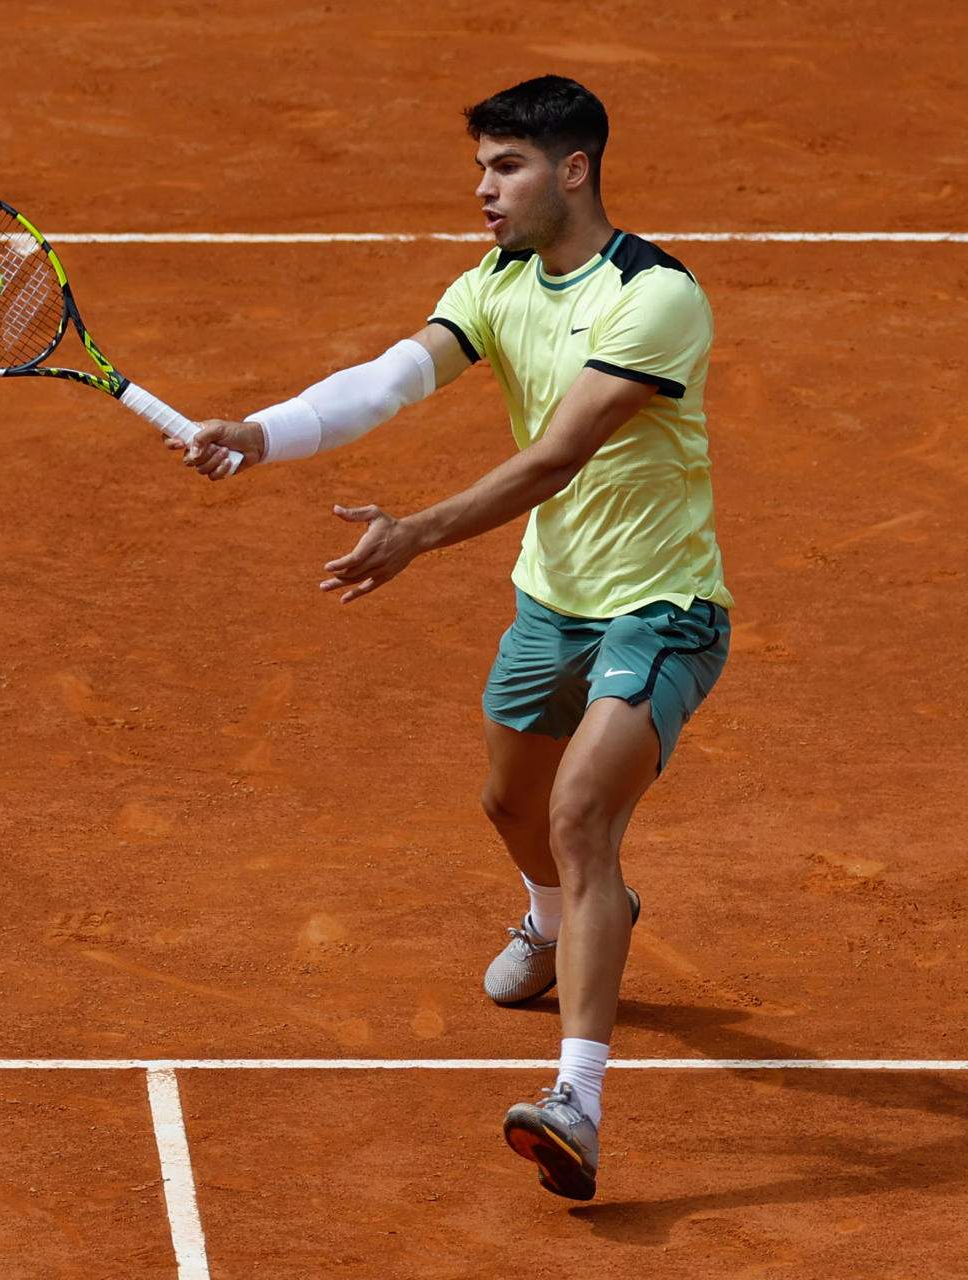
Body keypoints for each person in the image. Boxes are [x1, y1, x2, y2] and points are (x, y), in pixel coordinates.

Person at [174, 74, 732, 1201]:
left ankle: (575, 1096)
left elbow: (555, 456)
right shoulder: (498, 283)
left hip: (661, 609)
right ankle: (554, 917)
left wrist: (416, 532)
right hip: (551, 600)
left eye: (505, 167)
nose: (482, 189)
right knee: (510, 806)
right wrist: (262, 433)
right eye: (481, 166)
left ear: (574, 169)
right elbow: (390, 379)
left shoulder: (655, 297)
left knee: (582, 813)